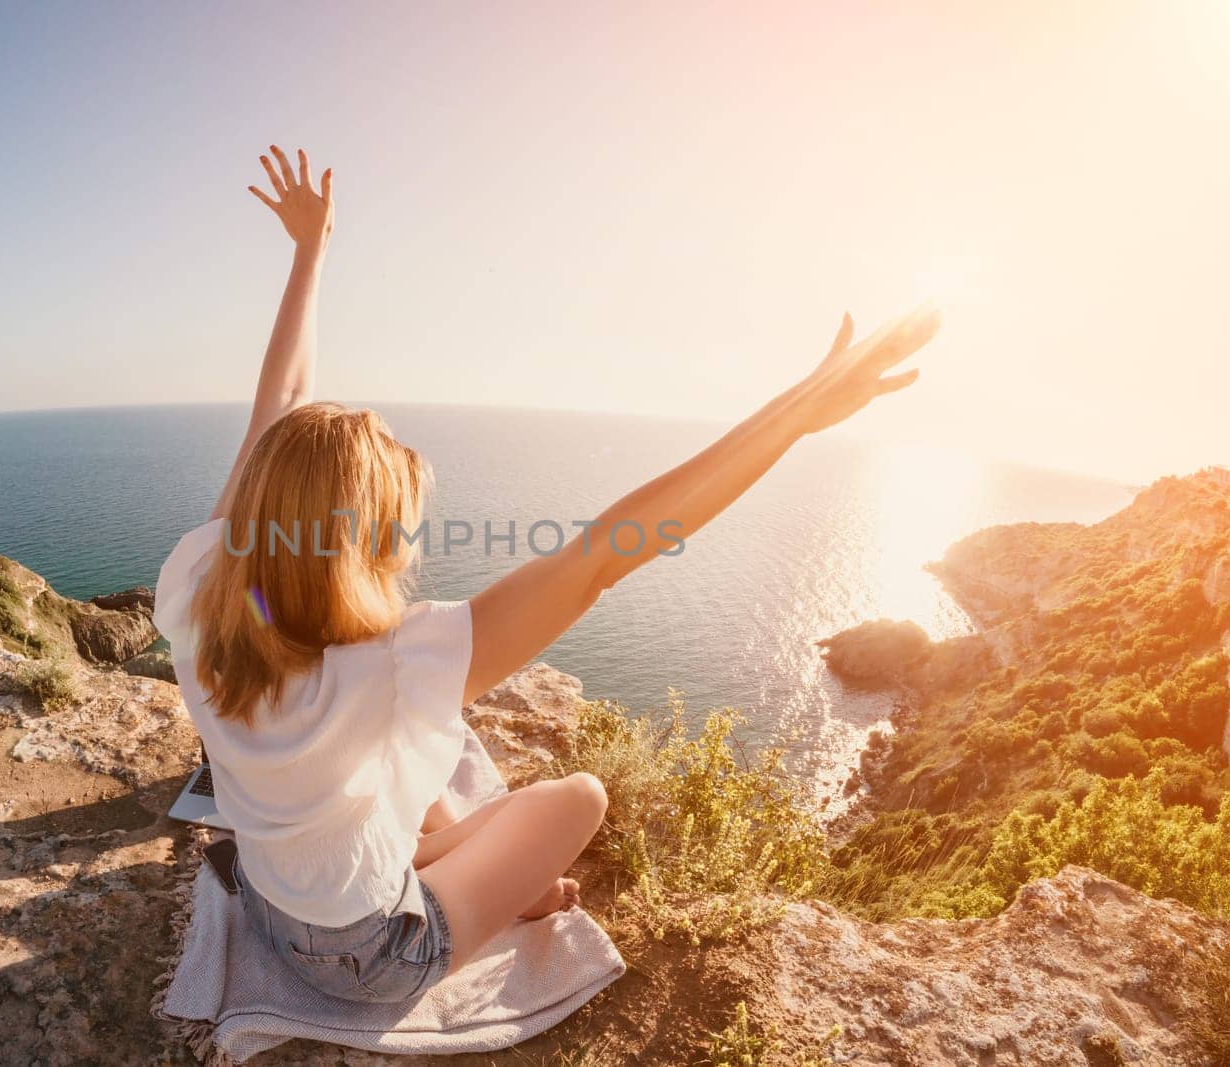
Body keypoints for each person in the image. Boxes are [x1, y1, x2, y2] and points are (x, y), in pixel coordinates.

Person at [153, 145, 940, 1004]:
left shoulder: (197, 584)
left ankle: (453, 863)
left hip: (267, 899)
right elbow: (609, 550)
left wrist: (310, 253)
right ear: (361, 546)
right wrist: (796, 416)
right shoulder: (394, 668)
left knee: (427, 773)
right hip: (370, 959)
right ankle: (503, 893)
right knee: (577, 798)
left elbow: (277, 409)